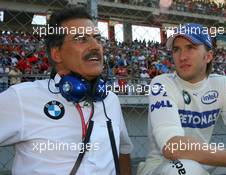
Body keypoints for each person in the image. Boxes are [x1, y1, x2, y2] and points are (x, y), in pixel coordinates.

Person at [0, 6, 133, 175]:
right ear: (57, 53)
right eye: (81, 39)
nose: (95, 46)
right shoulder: (22, 97)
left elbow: (123, 151)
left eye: (97, 38)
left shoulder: (110, 99)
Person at [137, 23, 226, 175]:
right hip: (162, 166)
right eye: (177, 49)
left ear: (208, 56)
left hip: (204, 162)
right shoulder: (161, 83)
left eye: (191, 48)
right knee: (187, 169)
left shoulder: (223, 84)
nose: (182, 57)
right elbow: (173, 147)